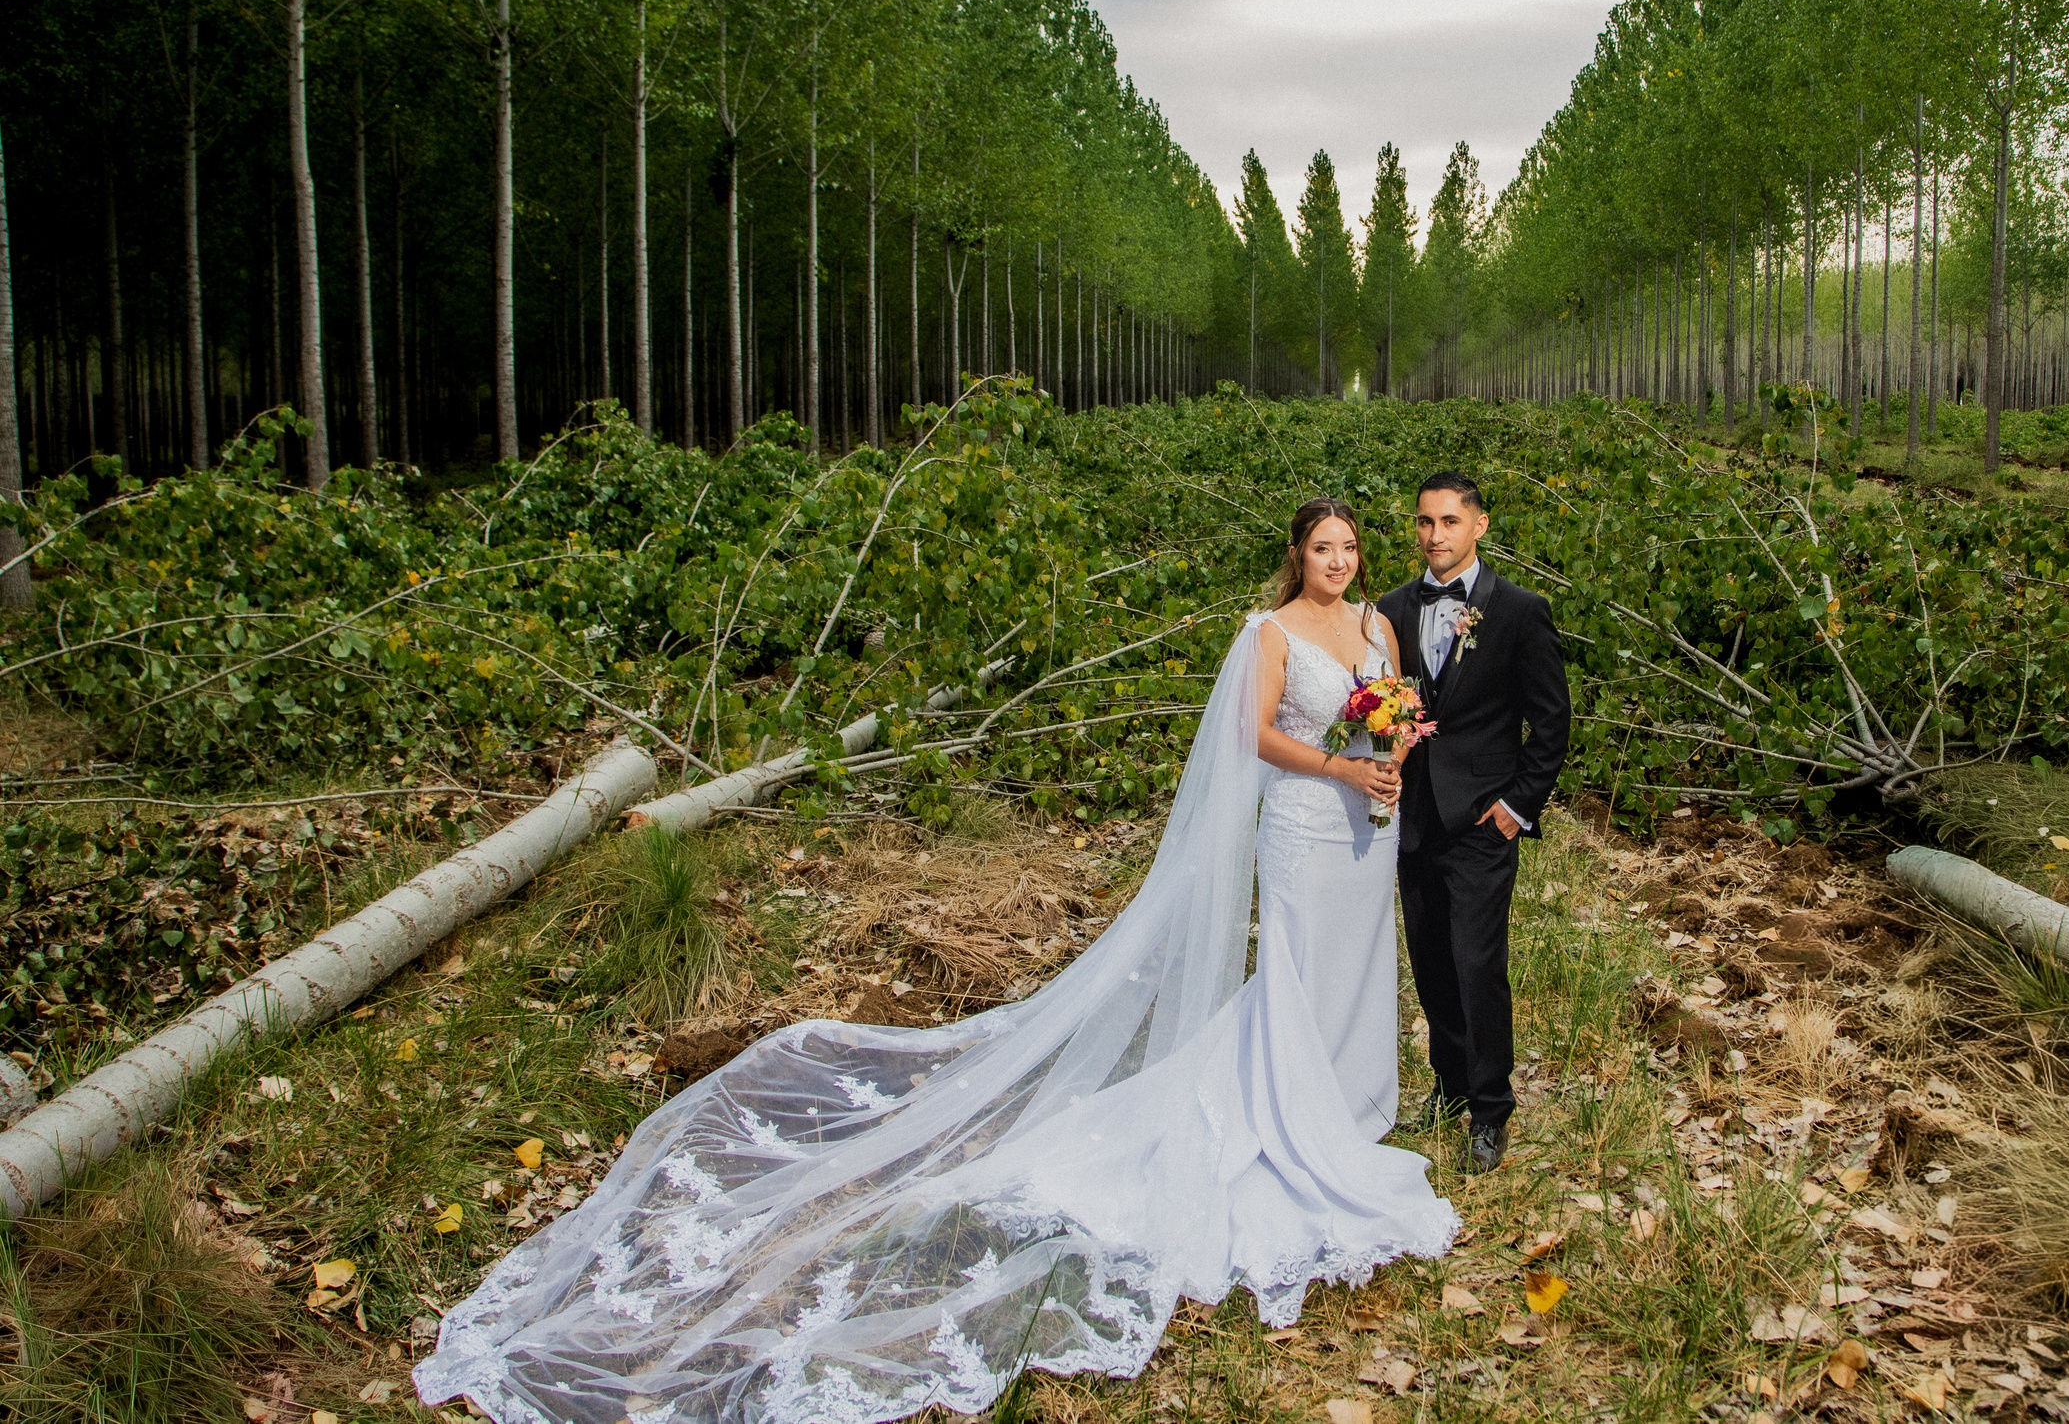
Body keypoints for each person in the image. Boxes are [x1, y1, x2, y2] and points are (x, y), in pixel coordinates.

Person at [414, 498, 1457, 1424]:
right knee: (1297, 968)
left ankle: (1354, 1101)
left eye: (1351, 546)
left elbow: (1397, 704)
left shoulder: (1373, 625)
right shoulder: (1269, 633)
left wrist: (1393, 752)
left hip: (1369, 819)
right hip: (1305, 820)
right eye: (1325, 547)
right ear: (1295, 555)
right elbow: (1254, 737)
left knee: (1364, 963)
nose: (1341, 560)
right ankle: (1289, 1113)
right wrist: (1336, 763)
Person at [1378, 472, 1572, 1175]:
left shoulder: (1519, 610)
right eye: (1425, 522)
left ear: (1479, 525)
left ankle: (1491, 1108)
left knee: (1476, 962)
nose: (1435, 536)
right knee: (1429, 958)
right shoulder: (1390, 609)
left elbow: (1551, 724)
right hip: (1411, 818)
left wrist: (1516, 809)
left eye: (1450, 522)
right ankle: (1451, 1085)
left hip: (1484, 822)